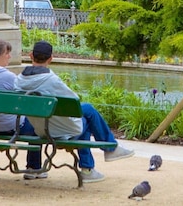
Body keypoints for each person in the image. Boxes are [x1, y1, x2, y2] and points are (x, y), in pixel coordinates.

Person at [15, 40, 135, 183]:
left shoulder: (19, 80)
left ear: (30, 55)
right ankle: (95, 162)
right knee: (88, 112)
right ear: (51, 58)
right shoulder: (51, 80)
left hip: (39, 129)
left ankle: (34, 168)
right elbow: (74, 103)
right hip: (60, 131)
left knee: (41, 115)